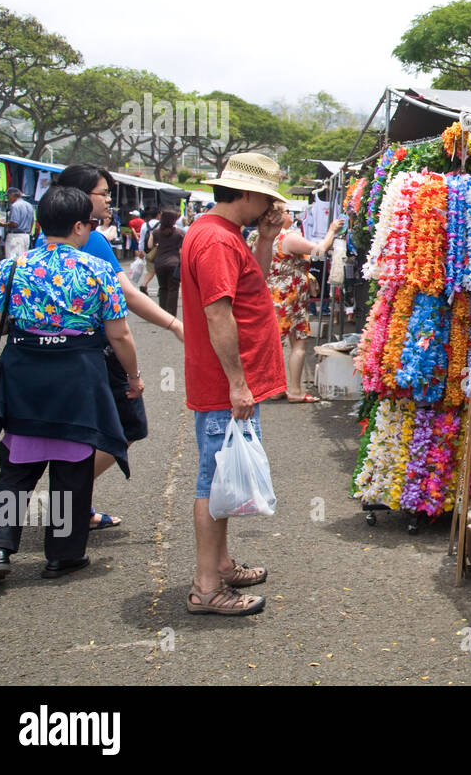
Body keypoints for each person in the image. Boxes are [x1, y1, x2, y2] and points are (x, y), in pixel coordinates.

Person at [0, 186, 143, 583]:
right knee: (72, 470)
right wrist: (133, 379)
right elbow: (119, 335)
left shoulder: (14, 266)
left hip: (24, 378)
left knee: (16, 467)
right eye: (89, 222)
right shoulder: (98, 270)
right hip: (78, 379)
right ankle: (62, 556)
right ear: (77, 227)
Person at [42, 166, 185, 530]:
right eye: (103, 192)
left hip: (46, 357)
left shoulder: (47, 238)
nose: (109, 199)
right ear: (80, 195)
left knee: (78, 433)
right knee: (127, 427)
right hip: (96, 355)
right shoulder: (91, 239)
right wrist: (173, 325)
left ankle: (75, 506)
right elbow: (128, 296)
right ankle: (69, 498)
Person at [180, 153, 288, 615]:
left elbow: (252, 288)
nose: (269, 206)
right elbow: (218, 313)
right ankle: (207, 588)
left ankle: (220, 565)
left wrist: (264, 239)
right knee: (213, 481)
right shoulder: (217, 241)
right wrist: (237, 383)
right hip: (224, 383)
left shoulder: (224, 235)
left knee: (220, 477)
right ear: (247, 193)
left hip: (227, 381)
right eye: (265, 198)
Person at [247, 205, 342, 402]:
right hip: (289, 297)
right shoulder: (287, 238)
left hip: (266, 292)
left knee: (272, 342)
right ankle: (295, 390)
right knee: (298, 343)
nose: (290, 215)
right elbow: (319, 251)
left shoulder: (255, 237)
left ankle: (273, 387)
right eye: (285, 212)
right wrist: (332, 230)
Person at [151, 209, 184, 316]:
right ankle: (171, 313)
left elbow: (149, 245)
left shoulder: (156, 232)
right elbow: (182, 250)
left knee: (162, 288)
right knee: (173, 289)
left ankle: (162, 313)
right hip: (174, 263)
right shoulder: (179, 233)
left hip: (159, 262)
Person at [1, 188, 34, 260]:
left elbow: (14, 223)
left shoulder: (15, 205)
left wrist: (3, 224)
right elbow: (32, 222)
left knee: (12, 260)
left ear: (13, 195)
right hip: (26, 236)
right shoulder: (29, 205)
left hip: (16, 237)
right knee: (22, 260)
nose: (8, 199)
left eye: (8, 196)